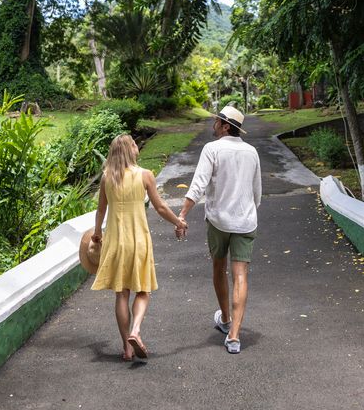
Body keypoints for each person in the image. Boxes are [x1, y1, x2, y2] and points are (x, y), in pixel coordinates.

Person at [91, 133, 187, 361]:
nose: (137, 147)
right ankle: (135, 330)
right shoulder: (145, 175)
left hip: (115, 240)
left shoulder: (107, 178)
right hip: (138, 240)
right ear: (128, 150)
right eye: (135, 144)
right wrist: (178, 222)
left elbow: (101, 211)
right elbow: (161, 207)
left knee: (121, 293)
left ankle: (127, 348)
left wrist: (96, 233)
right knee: (143, 290)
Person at [177, 105, 261, 354]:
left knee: (218, 267)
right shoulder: (252, 152)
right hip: (246, 221)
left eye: (216, 121)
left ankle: (225, 318)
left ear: (225, 126)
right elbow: (257, 193)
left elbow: (198, 185)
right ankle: (234, 336)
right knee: (241, 275)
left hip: (218, 222)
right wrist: (246, 210)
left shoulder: (212, 149)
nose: (213, 125)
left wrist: (182, 214)